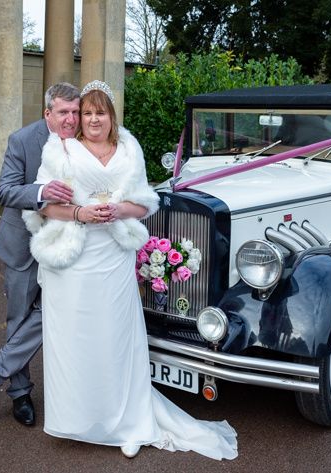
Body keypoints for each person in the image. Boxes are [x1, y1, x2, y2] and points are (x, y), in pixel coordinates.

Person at [21, 80, 238, 460]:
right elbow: (40, 207)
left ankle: (127, 421)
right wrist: (80, 213)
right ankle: (78, 419)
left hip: (114, 257)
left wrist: (121, 210)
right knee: (75, 342)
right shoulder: (61, 150)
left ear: (111, 116)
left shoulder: (128, 148)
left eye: (99, 112)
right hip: (73, 261)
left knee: (116, 339)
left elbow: (145, 202)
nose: (91, 119)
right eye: (85, 113)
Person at [0, 82, 80, 426]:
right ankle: (20, 395)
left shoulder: (85, 142)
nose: (71, 119)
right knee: (18, 318)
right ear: (48, 112)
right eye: (64, 112)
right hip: (22, 246)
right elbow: (4, 190)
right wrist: (41, 191)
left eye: (75, 111)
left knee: (56, 309)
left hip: (65, 246)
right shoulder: (22, 140)